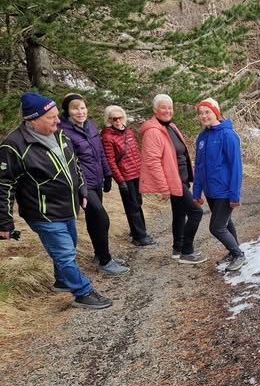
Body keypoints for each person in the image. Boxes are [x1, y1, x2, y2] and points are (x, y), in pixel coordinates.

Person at [0, 92, 112, 309]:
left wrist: (81, 189)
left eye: (56, 116)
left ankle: (62, 280)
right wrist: (4, 222)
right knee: (65, 253)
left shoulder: (60, 135)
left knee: (70, 246)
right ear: (32, 120)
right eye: (51, 117)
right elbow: (4, 185)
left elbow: (74, 164)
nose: (57, 121)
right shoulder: (13, 145)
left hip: (67, 207)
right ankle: (83, 292)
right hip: (42, 212)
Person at [59, 94, 129, 276]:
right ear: (67, 111)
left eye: (82, 107)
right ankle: (105, 261)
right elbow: (70, 162)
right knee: (101, 218)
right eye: (75, 108)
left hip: (96, 180)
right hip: (82, 184)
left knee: (93, 220)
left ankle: (100, 255)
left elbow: (100, 153)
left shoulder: (90, 125)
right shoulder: (63, 131)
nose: (80, 112)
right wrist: (80, 185)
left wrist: (108, 175)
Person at [139, 94, 206, 264]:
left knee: (179, 213)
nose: (167, 111)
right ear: (155, 110)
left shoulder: (171, 126)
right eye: (163, 107)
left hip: (181, 178)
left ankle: (178, 248)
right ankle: (187, 251)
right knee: (196, 212)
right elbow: (152, 162)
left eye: (170, 107)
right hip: (172, 180)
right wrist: (163, 187)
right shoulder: (153, 132)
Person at [192, 98, 246, 271]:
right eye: (201, 113)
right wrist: (196, 192)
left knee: (216, 227)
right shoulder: (202, 137)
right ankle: (233, 251)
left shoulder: (228, 135)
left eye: (207, 112)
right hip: (210, 191)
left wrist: (234, 195)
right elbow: (199, 167)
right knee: (226, 222)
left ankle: (238, 254)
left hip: (224, 191)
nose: (204, 116)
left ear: (216, 113)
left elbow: (236, 167)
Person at [101, 105, 155, 247]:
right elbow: (111, 161)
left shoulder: (128, 132)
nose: (118, 121)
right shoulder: (107, 137)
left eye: (120, 117)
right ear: (109, 120)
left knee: (138, 203)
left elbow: (136, 152)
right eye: (114, 119)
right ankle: (139, 237)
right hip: (125, 176)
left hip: (137, 173)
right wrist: (120, 181)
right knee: (132, 207)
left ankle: (140, 231)